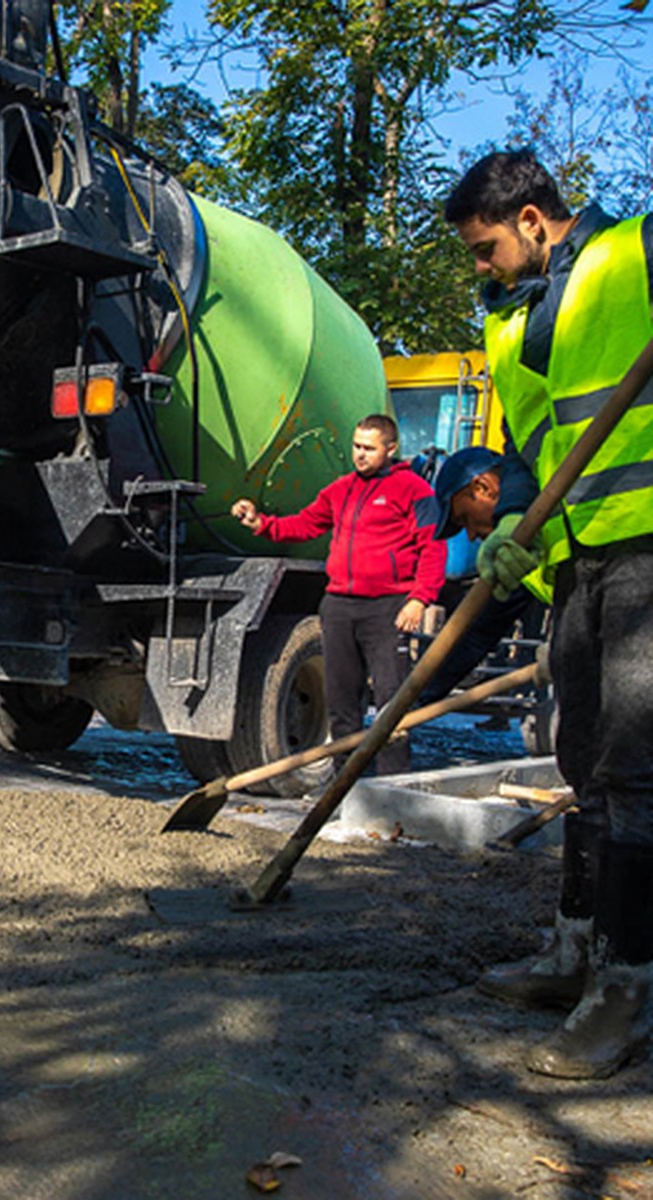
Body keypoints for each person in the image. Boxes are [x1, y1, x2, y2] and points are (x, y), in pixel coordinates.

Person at [445, 147, 653, 1079]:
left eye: (486, 248)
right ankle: (574, 947)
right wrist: (514, 528)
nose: (479, 268)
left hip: (651, 548)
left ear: (533, 219)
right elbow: (535, 448)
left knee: (639, 766)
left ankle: (627, 987)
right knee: (584, 761)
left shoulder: (634, 255)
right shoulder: (513, 323)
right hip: (577, 559)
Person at [232, 414, 446, 776]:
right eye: (356, 446)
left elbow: (433, 547)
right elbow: (304, 524)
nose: (359, 455)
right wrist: (261, 524)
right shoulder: (341, 489)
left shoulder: (415, 491)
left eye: (368, 448)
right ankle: (345, 784)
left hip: (388, 608)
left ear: (391, 449)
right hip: (340, 607)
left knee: (392, 702)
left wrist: (419, 598)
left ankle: (393, 788)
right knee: (342, 700)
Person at [418, 445, 547, 707]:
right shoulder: (516, 552)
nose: (472, 535)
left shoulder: (550, 506)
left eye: (465, 518)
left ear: (483, 487)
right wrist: (415, 699)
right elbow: (477, 634)